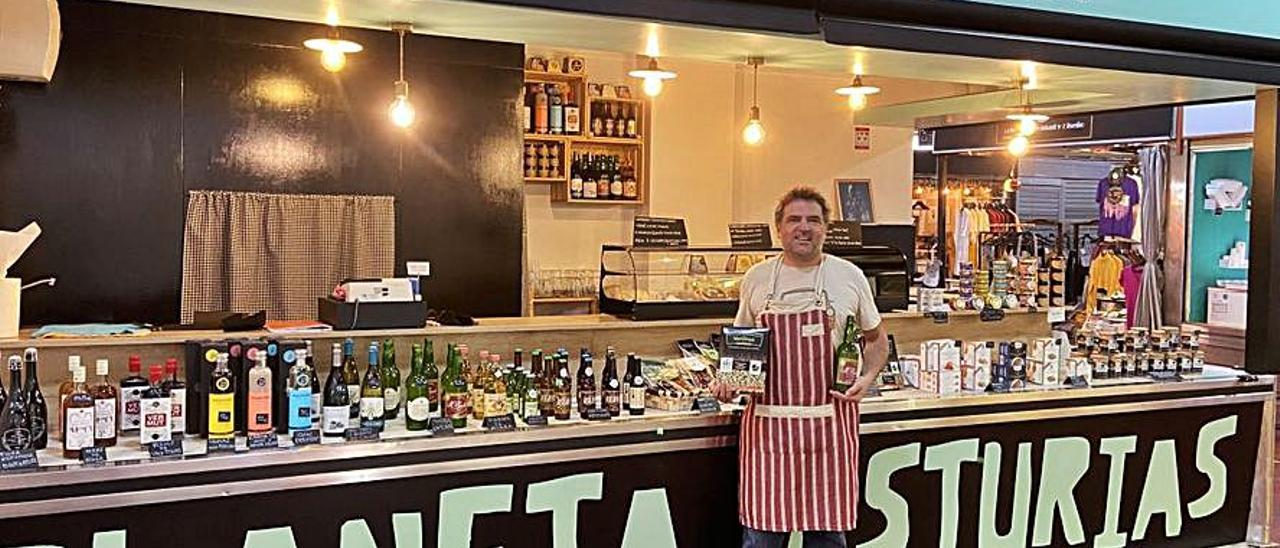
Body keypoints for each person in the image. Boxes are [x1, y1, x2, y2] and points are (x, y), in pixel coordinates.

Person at [720, 186, 889, 548]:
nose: (804, 227)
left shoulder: (849, 276)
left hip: (829, 427)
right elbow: (743, 341)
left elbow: (877, 339)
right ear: (778, 228)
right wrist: (730, 381)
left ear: (825, 228)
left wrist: (869, 376)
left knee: (827, 538)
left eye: (813, 220)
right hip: (768, 432)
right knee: (762, 539)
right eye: (794, 219)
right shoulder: (757, 279)